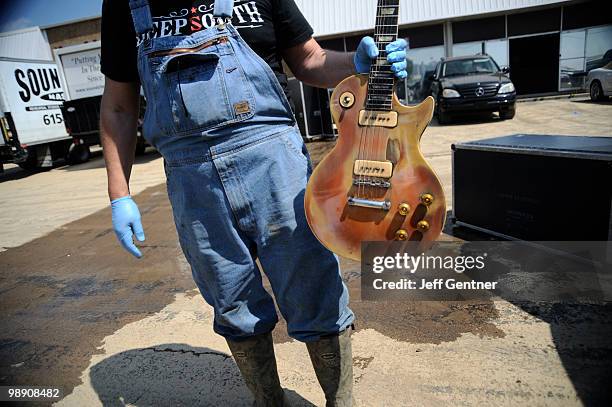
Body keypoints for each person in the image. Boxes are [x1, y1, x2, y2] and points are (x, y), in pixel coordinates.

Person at [100, 0, 407, 405]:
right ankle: (268, 400)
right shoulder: (125, 4)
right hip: (192, 182)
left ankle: (340, 401)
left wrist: (357, 62)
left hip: (273, 164)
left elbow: (309, 60)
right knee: (231, 297)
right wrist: (119, 194)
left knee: (313, 285)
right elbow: (119, 106)